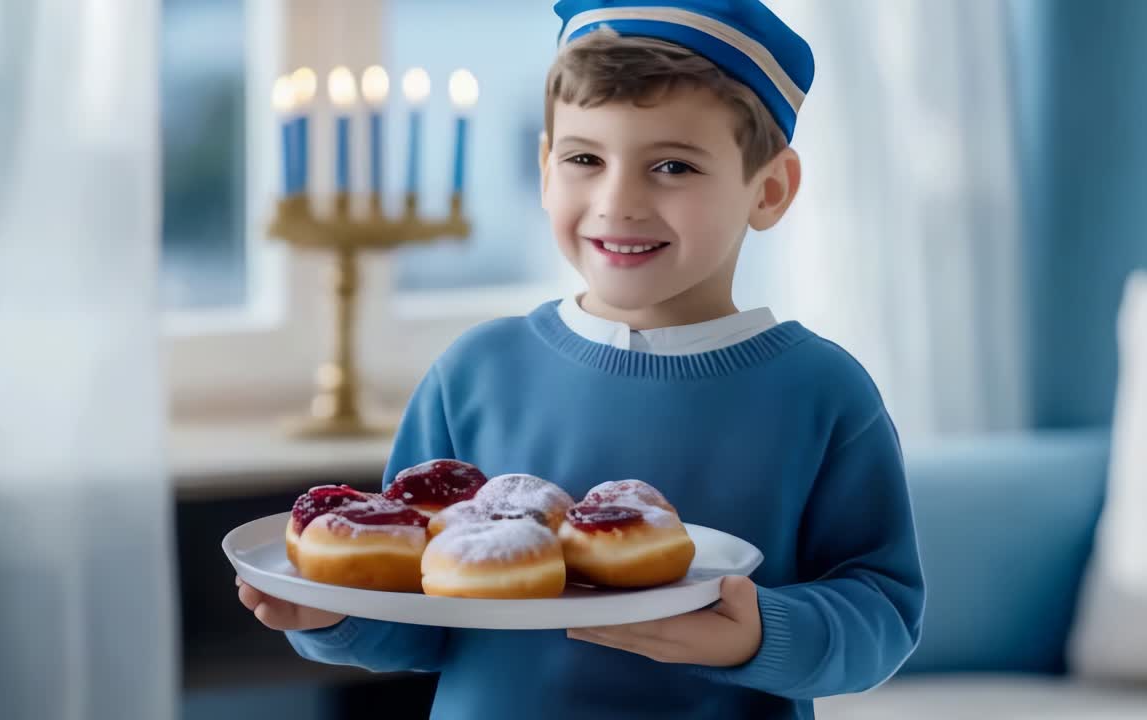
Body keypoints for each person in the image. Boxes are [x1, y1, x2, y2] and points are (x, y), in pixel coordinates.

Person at [238, 1, 925, 716]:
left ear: (771, 188)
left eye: (671, 165)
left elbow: (883, 609)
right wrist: (331, 619)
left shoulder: (823, 393)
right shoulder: (476, 372)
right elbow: (421, 615)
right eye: (584, 159)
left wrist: (759, 634)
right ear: (544, 168)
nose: (617, 201)